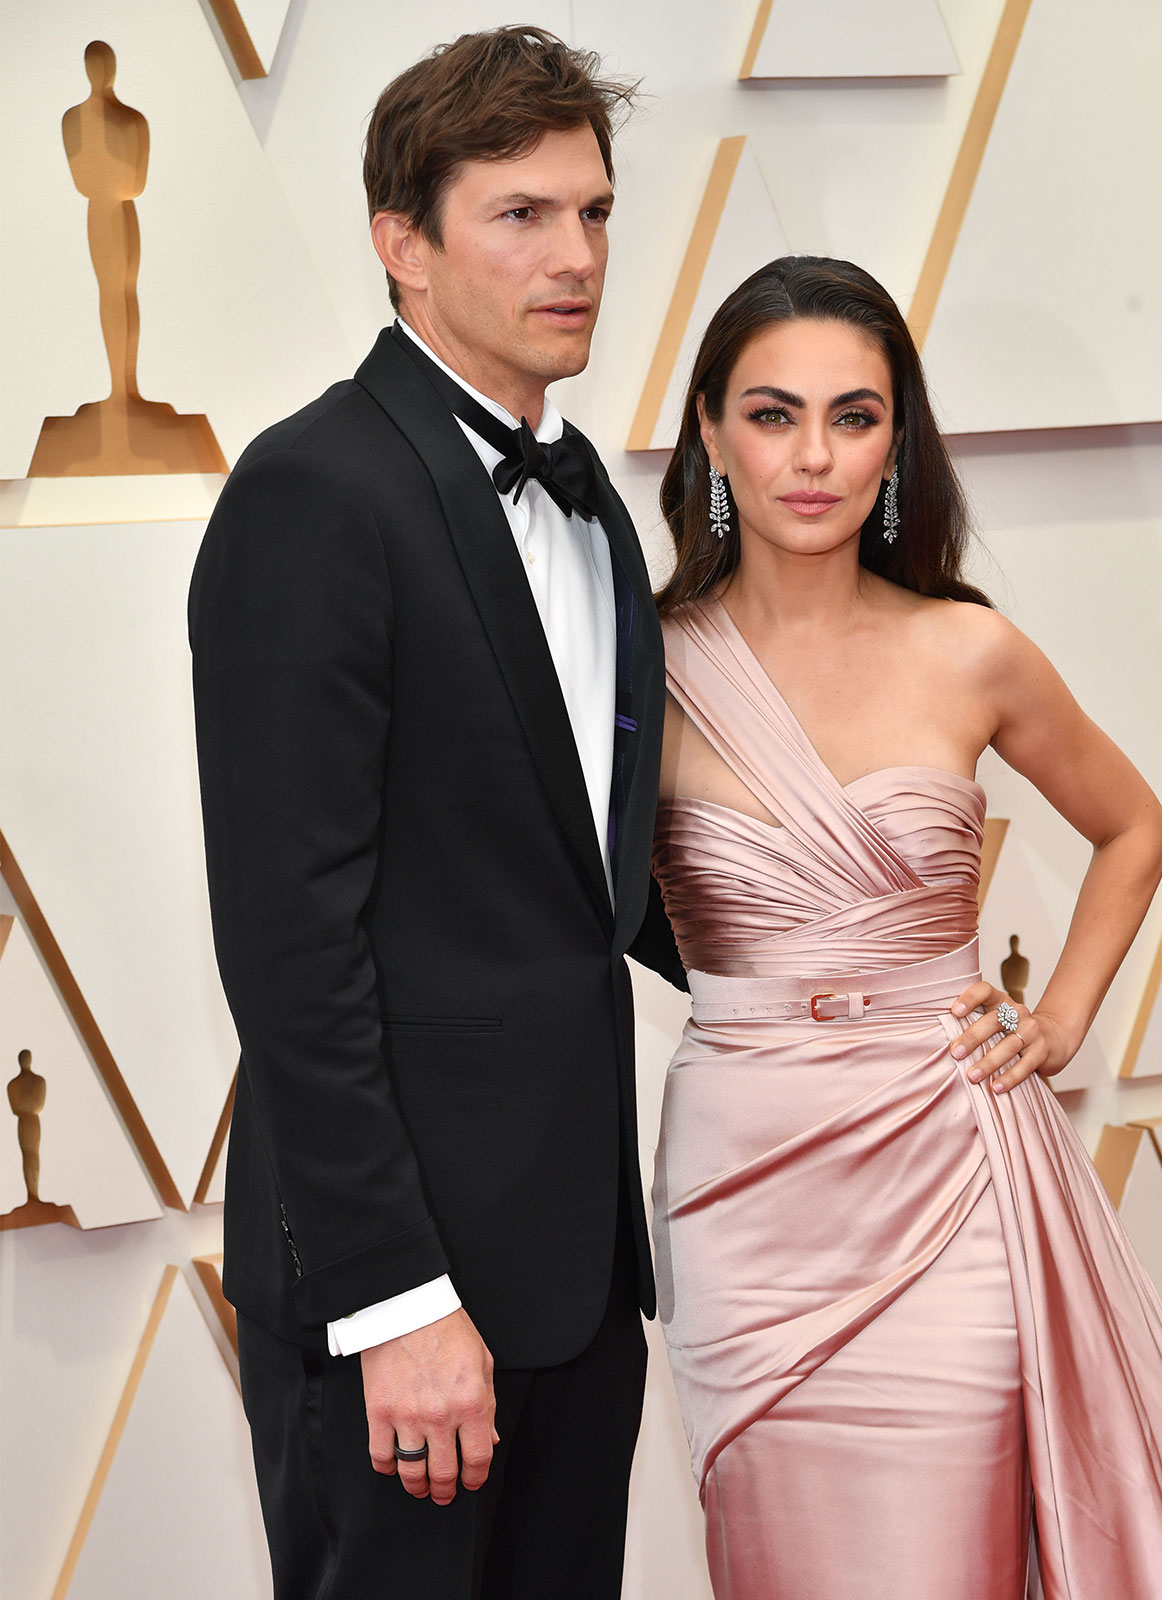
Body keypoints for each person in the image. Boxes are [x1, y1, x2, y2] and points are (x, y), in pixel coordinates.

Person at [649, 254, 1162, 1598]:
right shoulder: (639, 669)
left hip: (951, 1171)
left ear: (899, 441)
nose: (813, 455)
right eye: (771, 414)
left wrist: (1057, 1020)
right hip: (742, 1191)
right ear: (708, 427)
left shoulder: (968, 649)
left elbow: (1133, 826)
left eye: (855, 416)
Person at [189, 28, 684, 1600]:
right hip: (401, 1302)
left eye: (594, 213)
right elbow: (289, 943)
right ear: (404, 244)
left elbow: (572, 870)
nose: (578, 256)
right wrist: (396, 1299)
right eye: (523, 215)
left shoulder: (592, 495)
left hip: (581, 1285)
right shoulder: (313, 490)